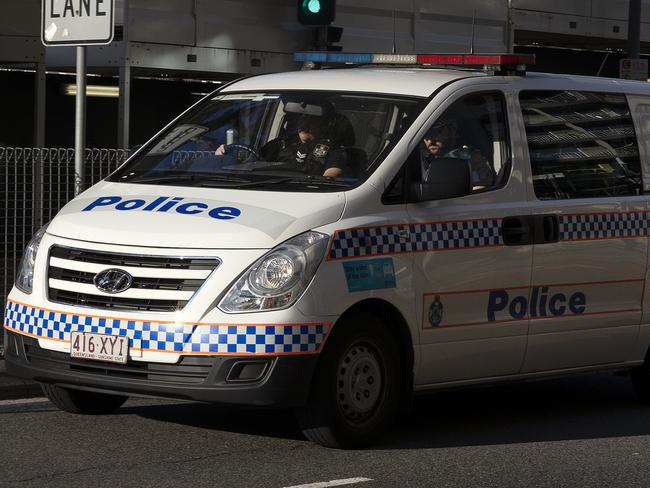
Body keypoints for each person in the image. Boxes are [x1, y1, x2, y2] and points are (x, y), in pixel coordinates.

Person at [216, 113, 348, 177]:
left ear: (323, 125)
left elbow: (328, 180)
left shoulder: (334, 150)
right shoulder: (281, 143)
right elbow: (253, 162)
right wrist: (224, 154)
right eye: (302, 118)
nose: (304, 124)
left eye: (311, 119)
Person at [421, 118, 495, 189]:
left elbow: (480, 191)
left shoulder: (472, 160)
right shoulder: (418, 159)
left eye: (436, 133)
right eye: (425, 135)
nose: (430, 141)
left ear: (453, 129)